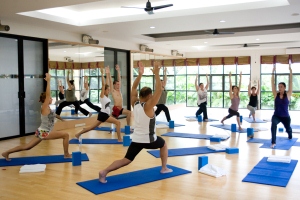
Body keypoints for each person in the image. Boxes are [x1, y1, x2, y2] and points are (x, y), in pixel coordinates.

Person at [98, 61, 173, 183]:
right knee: (163, 144)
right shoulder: (148, 106)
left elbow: (133, 87)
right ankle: (164, 168)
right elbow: (159, 91)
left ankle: (104, 172)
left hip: (136, 139)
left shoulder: (135, 103)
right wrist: (157, 73)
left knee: (126, 159)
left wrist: (140, 74)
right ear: (149, 96)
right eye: (151, 95)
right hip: (149, 139)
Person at [2, 73, 72, 161]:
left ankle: (6, 153)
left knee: (27, 147)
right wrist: (49, 81)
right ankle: (66, 154)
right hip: (45, 132)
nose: (51, 99)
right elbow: (47, 95)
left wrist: (62, 119)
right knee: (66, 135)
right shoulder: (44, 107)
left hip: (42, 131)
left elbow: (55, 115)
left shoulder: (48, 108)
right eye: (50, 98)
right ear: (45, 100)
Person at [75, 67, 121, 142]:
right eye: (108, 90)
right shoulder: (102, 96)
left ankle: (78, 134)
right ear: (104, 90)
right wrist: (102, 74)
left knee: (91, 127)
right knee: (118, 122)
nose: (109, 91)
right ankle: (119, 139)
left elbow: (106, 84)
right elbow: (104, 85)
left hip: (103, 114)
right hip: (103, 114)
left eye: (109, 90)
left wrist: (107, 74)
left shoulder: (106, 96)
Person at [270, 65, 293, 148]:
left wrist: (290, 72)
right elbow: (272, 83)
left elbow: (291, 82)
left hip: (285, 117)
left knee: (288, 129)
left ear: (284, 88)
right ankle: (273, 142)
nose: (279, 88)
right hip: (276, 116)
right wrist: (272, 72)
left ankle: (290, 134)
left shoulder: (288, 94)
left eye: (281, 87)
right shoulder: (276, 94)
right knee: (273, 125)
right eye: (279, 87)